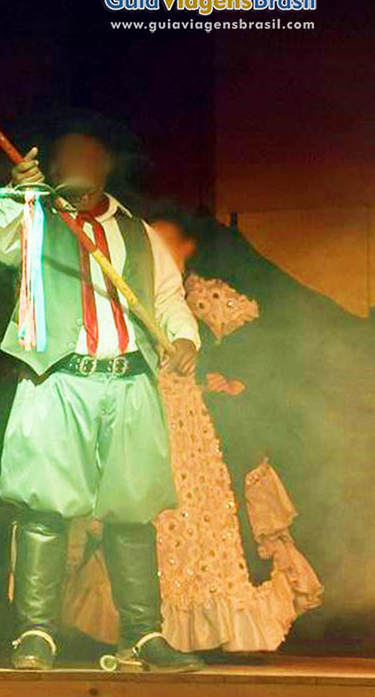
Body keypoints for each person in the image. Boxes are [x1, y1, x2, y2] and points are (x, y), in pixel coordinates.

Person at [0, 132, 204, 672]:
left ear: (105, 167)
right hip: (55, 378)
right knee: (44, 507)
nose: (76, 167)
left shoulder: (138, 232)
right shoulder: (33, 217)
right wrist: (15, 192)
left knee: (133, 508)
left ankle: (144, 637)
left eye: (87, 159)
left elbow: (168, 298)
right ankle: (34, 634)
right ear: (51, 168)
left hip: (128, 381)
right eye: (65, 160)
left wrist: (187, 339)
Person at [61, 209, 323, 651]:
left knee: (207, 526)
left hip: (199, 434)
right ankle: (146, 628)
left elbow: (266, 355)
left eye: (165, 245)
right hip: (142, 421)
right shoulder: (128, 301)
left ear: (187, 249)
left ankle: (218, 626)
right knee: (145, 518)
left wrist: (232, 380)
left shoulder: (208, 300)